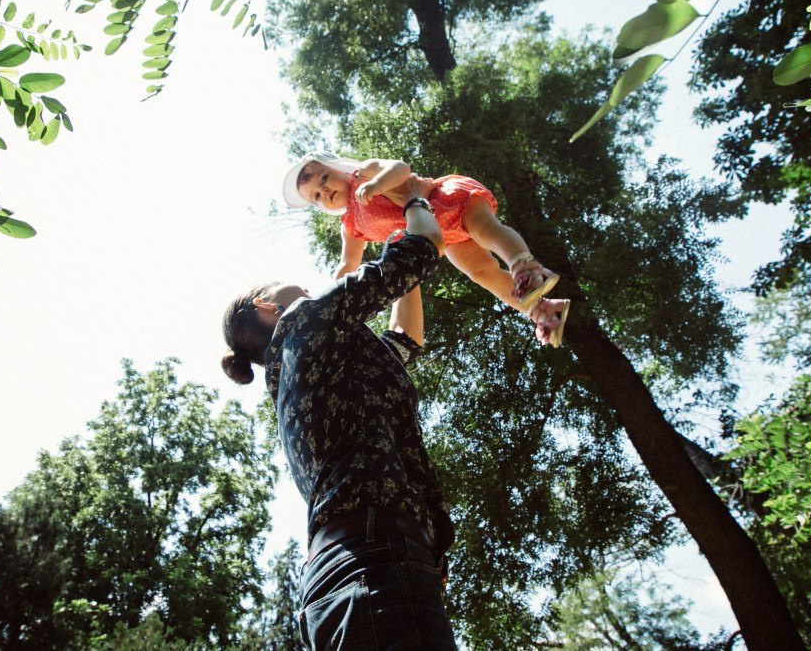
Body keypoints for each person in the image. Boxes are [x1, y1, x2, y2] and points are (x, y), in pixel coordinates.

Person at [221, 176, 458, 649]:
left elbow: (403, 345)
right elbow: (422, 249)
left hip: (342, 577)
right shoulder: (305, 320)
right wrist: (413, 198)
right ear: (267, 305)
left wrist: (394, 234)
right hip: (376, 560)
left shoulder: (302, 369)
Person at [283, 151, 569, 347]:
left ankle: (525, 266)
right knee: (482, 273)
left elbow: (401, 168)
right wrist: (328, 305)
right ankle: (541, 310)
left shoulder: (363, 173)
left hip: (445, 199)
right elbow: (347, 265)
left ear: (338, 166)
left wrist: (377, 184)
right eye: (317, 196)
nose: (324, 191)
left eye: (324, 178)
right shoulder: (350, 226)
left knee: (485, 229)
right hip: (443, 233)